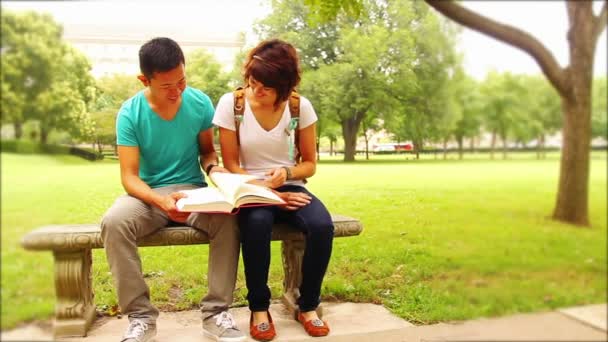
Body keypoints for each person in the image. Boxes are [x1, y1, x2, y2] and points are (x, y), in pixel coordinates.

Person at [100, 37, 245, 342]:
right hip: (148, 195)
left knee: (229, 218)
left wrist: (214, 170)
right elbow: (129, 177)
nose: (177, 91)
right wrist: (160, 200)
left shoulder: (199, 103)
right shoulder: (130, 113)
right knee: (114, 222)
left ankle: (216, 313)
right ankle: (140, 318)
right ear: (145, 79)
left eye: (182, 80)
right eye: (167, 86)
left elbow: (207, 152)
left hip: (192, 192)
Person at [213, 39, 334, 341]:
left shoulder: (299, 106)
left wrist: (286, 174)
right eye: (253, 82)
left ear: (285, 86)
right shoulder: (233, 104)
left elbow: (309, 164)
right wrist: (270, 194)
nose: (257, 90)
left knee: (321, 226)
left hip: (288, 184)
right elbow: (230, 164)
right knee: (257, 224)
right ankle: (259, 308)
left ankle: (307, 306)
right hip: (248, 186)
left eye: (266, 86)